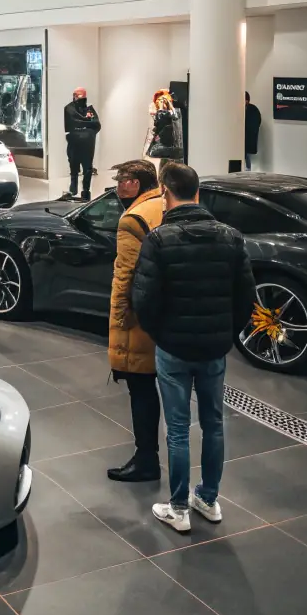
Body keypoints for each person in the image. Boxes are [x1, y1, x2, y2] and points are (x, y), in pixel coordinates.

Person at [132, 162, 256, 533]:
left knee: (178, 429)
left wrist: (162, 334)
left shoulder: (158, 239)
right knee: (214, 424)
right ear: (197, 193)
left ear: (167, 194)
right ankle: (209, 498)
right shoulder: (231, 237)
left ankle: (178, 507)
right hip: (214, 349)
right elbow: (246, 296)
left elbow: (144, 299)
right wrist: (226, 333)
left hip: (173, 348)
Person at [107, 160, 165, 483]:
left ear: (138, 183)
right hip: (164, 314)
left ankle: (146, 458)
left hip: (138, 322)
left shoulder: (133, 219)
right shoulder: (164, 206)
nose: (118, 185)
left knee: (140, 389)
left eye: (124, 180)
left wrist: (118, 320)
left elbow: (124, 277)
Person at [63, 87, 100, 200]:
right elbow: (72, 123)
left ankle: (86, 190)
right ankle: (73, 189)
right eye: (78, 96)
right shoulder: (69, 108)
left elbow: (97, 124)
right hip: (75, 142)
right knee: (73, 165)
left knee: (87, 168)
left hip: (88, 143)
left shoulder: (89, 109)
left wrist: (85, 124)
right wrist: (87, 122)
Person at [245, 92, 262, 171]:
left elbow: (256, 122)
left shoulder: (253, 109)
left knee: (247, 155)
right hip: (242, 138)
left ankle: (248, 170)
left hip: (248, 137)